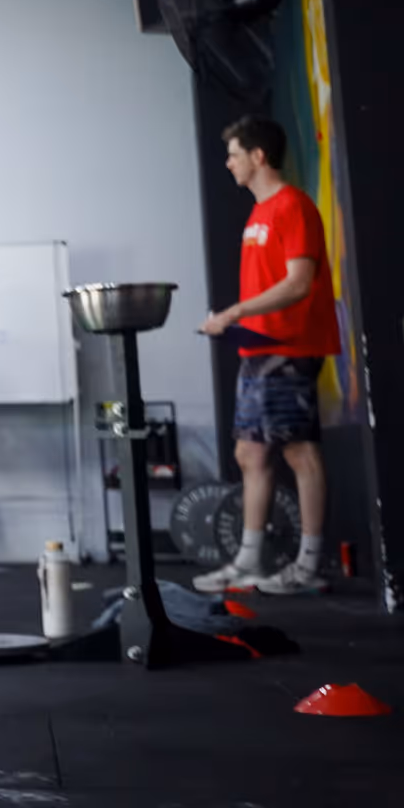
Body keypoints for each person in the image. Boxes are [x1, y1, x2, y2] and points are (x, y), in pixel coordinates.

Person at [195, 115, 341, 596]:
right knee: (250, 451)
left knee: (298, 450)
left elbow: (299, 283)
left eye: (235, 153)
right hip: (258, 347)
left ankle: (309, 566)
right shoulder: (258, 214)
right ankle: (250, 561)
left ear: (258, 156)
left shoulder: (291, 206)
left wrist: (234, 311)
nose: (228, 162)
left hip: (291, 345)